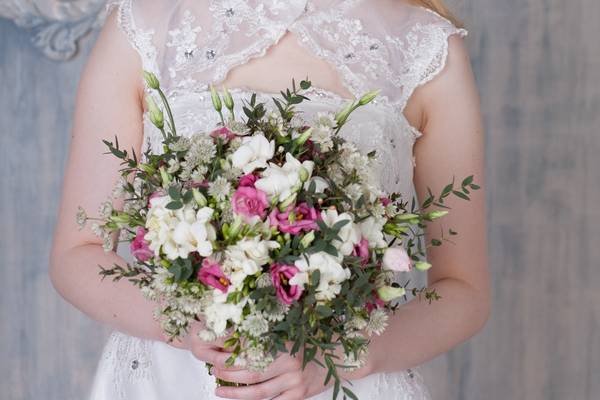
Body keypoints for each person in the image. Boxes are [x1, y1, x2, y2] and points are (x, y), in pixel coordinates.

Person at [49, 0, 490, 398]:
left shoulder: (426, 46)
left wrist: (341, 357)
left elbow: (464, 290)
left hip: (345, 386)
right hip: (172, 380)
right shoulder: (143, 25)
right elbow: (77, 254)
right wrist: (185, 324)